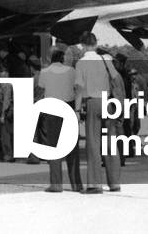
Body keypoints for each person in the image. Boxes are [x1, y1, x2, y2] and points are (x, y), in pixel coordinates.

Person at [73, 32, 121, 194]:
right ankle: (114, 183)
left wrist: (77, 109)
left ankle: (94, 184)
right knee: (110, 142)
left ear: (83, 45)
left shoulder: (80, 63)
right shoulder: (105, 60)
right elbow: (116, 79)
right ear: (95, 43)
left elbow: (79, 88)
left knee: (93, 143)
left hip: (92, 102)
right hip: (108, 102)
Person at [37, 49, 81, 193]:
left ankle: (56, 184)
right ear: (63, 59)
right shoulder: (72, 71)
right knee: (72, 149)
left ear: (51, 59)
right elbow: (78, 88)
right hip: (69, 106)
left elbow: (42, 88)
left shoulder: (44, 72)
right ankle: (76, 184)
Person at [0, 67, 14, 162]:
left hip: (5, 112)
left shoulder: (6, 85)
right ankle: (7, 154)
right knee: (5, 134)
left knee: (6, 134)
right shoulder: (2, 84)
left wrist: (2, 115)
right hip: (2, 110)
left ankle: (8, 155)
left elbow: (6, 101)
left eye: (2, 72)